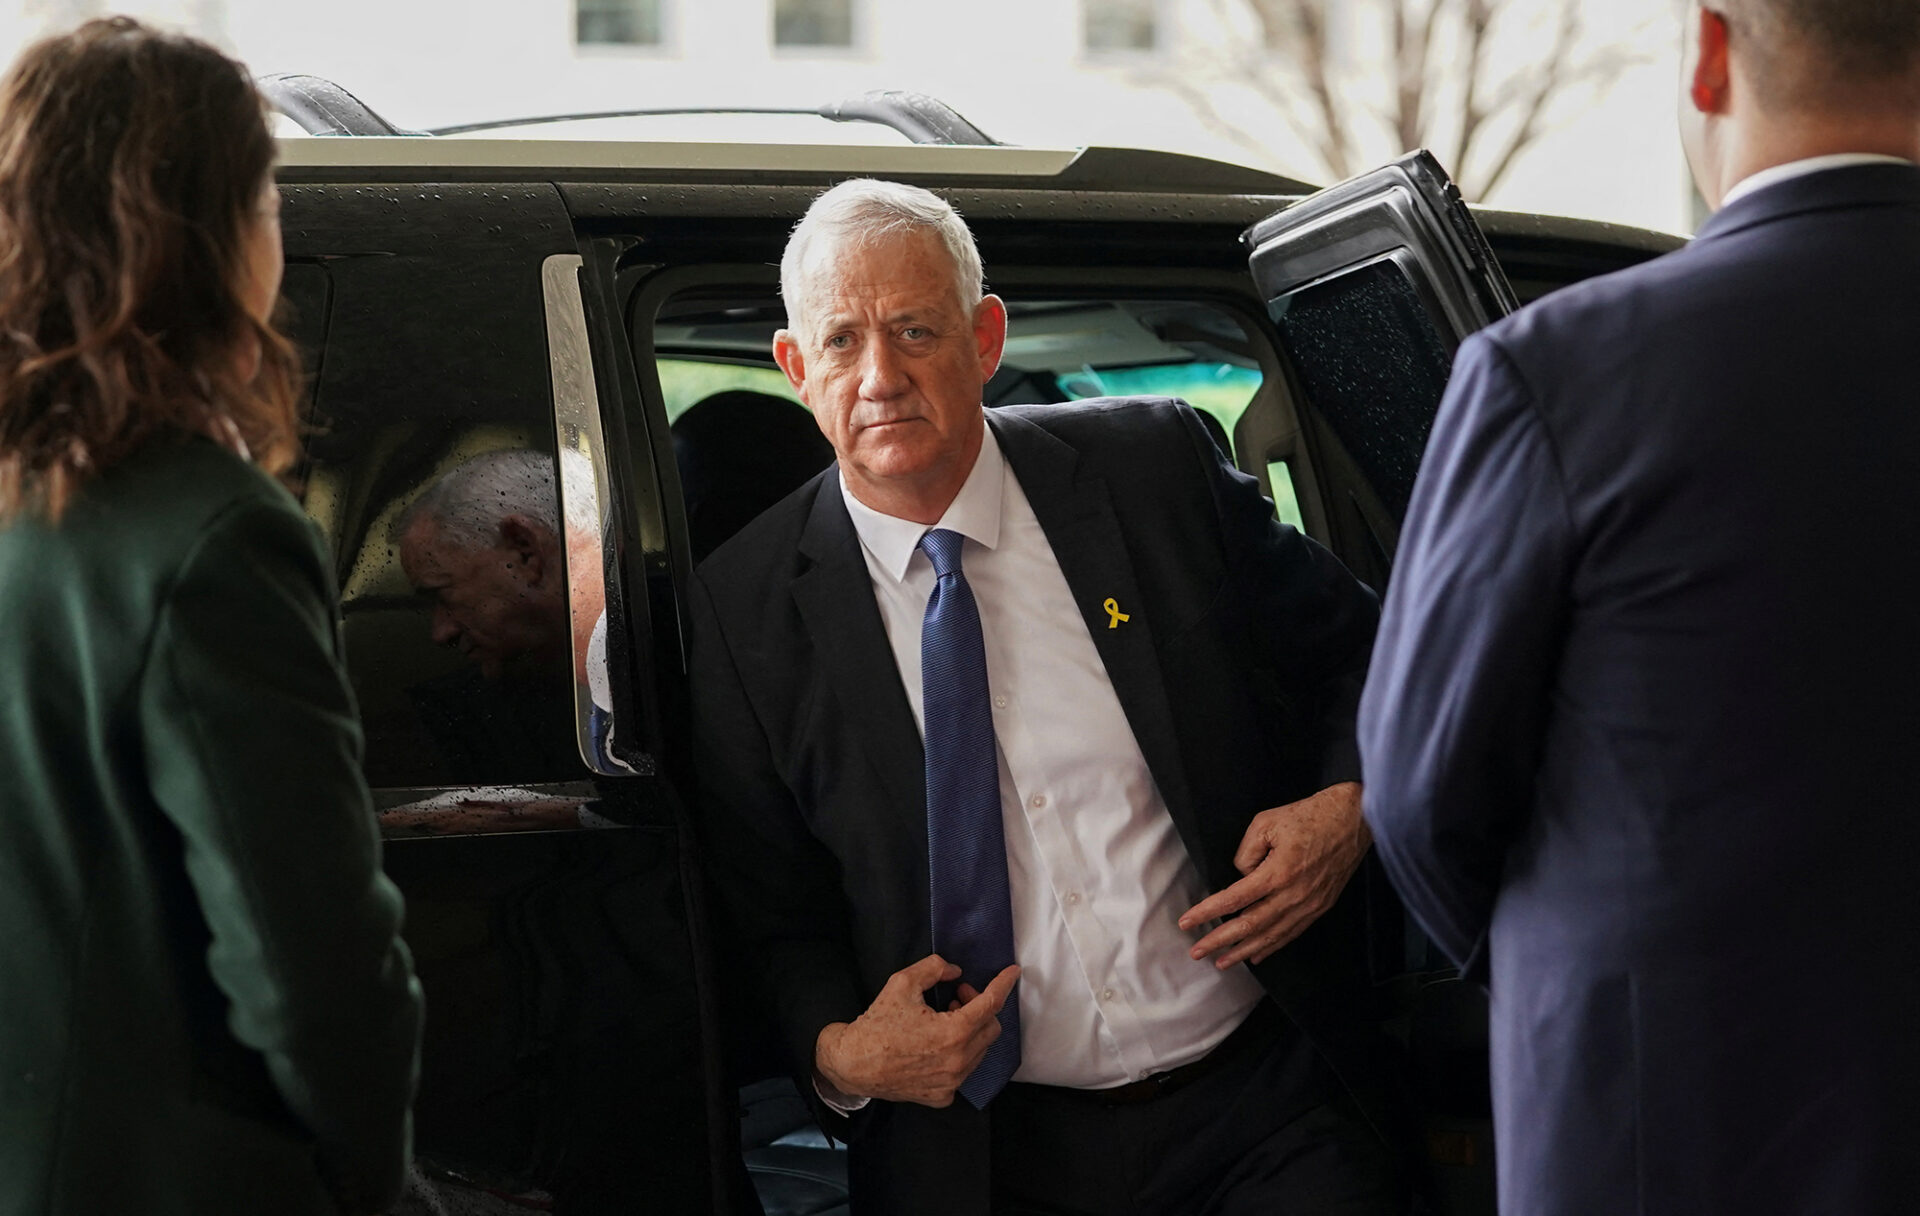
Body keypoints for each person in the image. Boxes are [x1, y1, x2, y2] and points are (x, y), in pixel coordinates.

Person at [690, 179, 1403, 1215]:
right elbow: (768, 914)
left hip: (1265, 1110)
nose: (879, 376)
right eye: (841, 341)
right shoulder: (740, 611)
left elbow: (1375, 650)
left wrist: (1353, 802)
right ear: (798, 369)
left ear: (984, 338)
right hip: (990, 1162)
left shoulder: (1150, 470)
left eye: (915, 330)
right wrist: (845, 1054)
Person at [1357, 3, 1920, 1213]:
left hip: (1663, 1131)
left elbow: (1420, 794)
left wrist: (1597, 973)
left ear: (1712, 50)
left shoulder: (1558, 370)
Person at [0, 18, 424, 1216]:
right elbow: (312, 973)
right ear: (210, 233)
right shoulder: (214, 536)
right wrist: (373, 1178)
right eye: (268, 195)